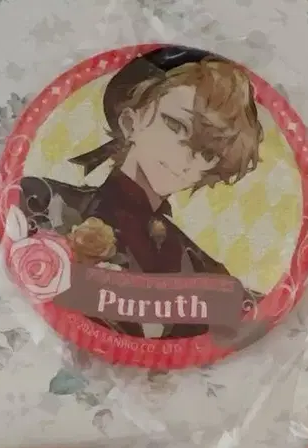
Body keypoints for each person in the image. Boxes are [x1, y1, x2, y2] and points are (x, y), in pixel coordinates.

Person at [18, 46, 264, 340]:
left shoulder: (204, 269)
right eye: (175, 125)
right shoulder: (42, 200)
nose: (185, 156)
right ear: (130, 123)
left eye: (208, 152)